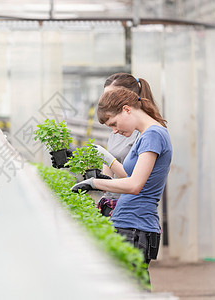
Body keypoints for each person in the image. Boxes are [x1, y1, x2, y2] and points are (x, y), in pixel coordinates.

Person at [71, 87, 172, 277]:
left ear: (126, 109)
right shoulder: (145, 135)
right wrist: (105, 170)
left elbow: (134, 185)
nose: (115, 130)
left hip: (136, 227)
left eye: (114, 123)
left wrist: (94, 183)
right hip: (129, 224)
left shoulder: (153, 135)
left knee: (132, 290)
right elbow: (129, 176)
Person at [95, 73, 158, 217]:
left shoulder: (145, 133)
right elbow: (108, 179)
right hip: (113, 207)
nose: (107, 100)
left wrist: (108, 159)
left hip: (134, 211)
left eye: (112, 95)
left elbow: (136, 181)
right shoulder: (117, 131)